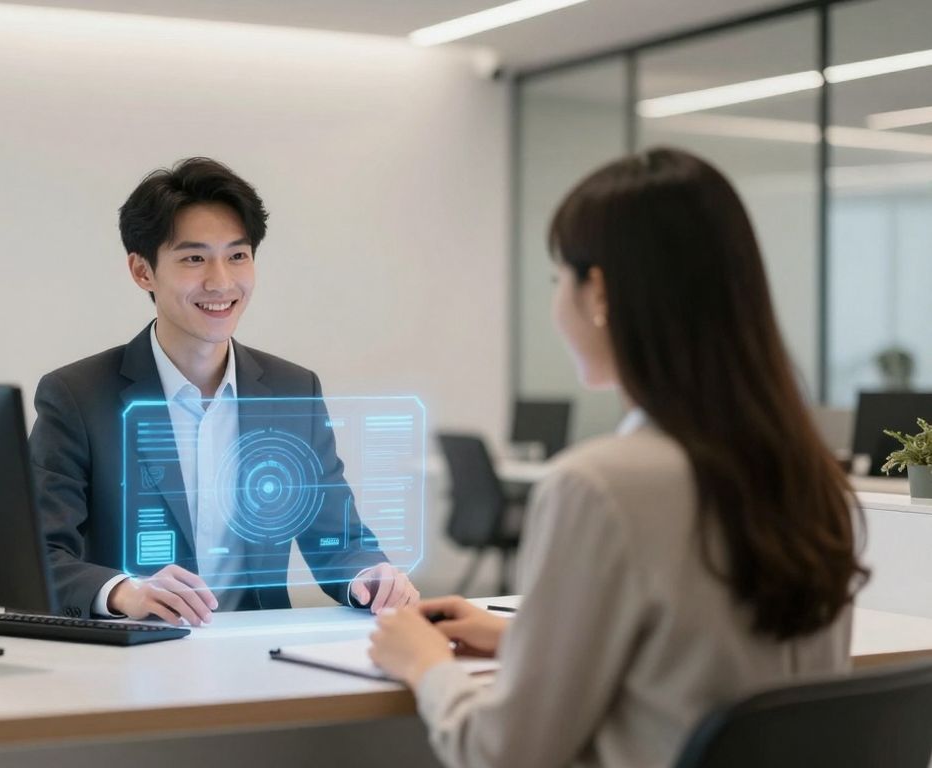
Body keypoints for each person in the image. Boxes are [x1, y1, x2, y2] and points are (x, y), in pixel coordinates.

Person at [368, 148, 867, 768]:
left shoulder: (597, 487)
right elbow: (709, 662)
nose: (557, 303)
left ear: (598, 290)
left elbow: (503, 754)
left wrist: (425, 665)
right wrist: (525, 637)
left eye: (559, 280)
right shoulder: (812, 481)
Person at [31, 157, 419, 625]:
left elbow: (339, 541)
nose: (221, 282)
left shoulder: (291, 391)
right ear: (142, 272)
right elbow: (40, 555)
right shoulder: (77, 396)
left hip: (256, 660)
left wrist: (369, 577)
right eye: (194, 258)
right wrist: (123, 593)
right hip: (130, 659)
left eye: (238, 256)